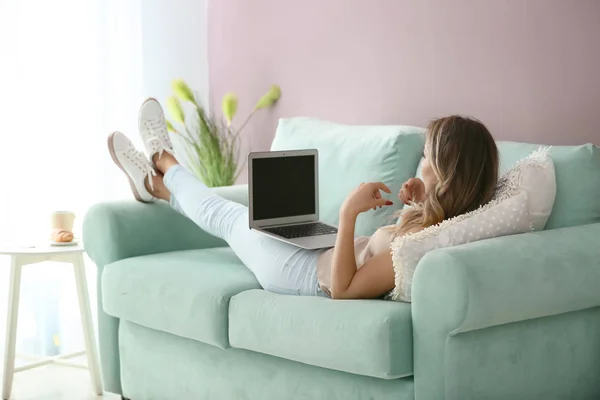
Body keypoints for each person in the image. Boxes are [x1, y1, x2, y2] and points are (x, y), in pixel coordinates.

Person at [108, 99, 499, 300]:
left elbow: (343, 290)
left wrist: (348, 213)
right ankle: (156, 184)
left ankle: (162, 160)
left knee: (226, 216)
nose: (421, 161)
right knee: (244, 213)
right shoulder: (437, 224)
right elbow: (375, 250)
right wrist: (417, 201)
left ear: (448, 174)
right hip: (320, 248)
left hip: (304, 275)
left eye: (428, 157)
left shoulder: (418, 249)